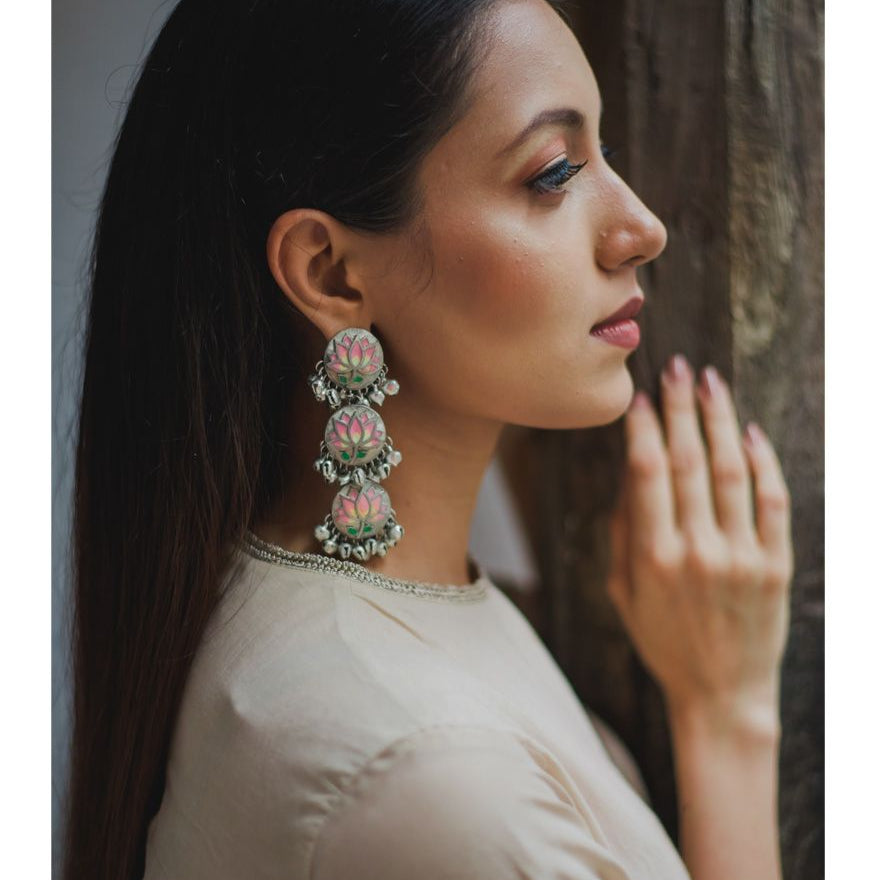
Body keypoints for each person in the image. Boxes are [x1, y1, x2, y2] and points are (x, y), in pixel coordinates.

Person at [62, 0, 794, 878]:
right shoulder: (428, 778)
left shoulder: (285, 602)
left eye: (603, 151)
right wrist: (728, 720)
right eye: (555, 173)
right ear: (331, 274)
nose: (643, 227)